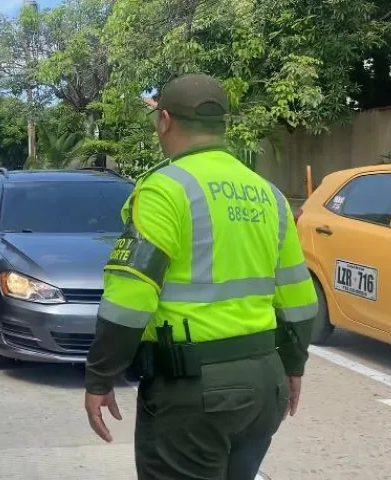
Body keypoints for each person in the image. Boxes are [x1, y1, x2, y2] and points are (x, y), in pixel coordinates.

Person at [83, 74, 318, 479]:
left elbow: (128, 301)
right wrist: (294, 367)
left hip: (194, 391)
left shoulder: (165, 190)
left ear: (165, 121)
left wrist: (100, 376)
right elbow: (299, 298)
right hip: (265, 383)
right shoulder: (269, 194)